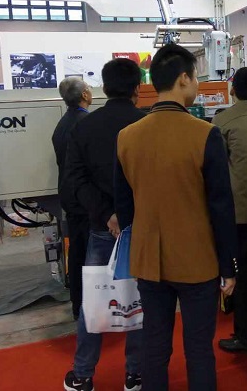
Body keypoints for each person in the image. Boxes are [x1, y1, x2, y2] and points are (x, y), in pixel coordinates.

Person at [114, 43, 238, 391]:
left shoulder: (126, 137)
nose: (196, 83)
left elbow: (124, 206)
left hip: (148, 260)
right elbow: (221, 206)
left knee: (155, 346)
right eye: (195, 77)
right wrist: (229, 265)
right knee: (199, 349)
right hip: (197, 260)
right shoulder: (205, 134)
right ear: (184, 79)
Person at [63, 59, 146, 391]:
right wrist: (127, 214)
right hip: (141, 227)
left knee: (95, 300)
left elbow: (75, 179)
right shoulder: (146, 124)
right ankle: (135, 374)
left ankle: (83, 375)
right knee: (142, 299)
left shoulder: (84, 128)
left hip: (102, 228)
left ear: (104, 88)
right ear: (137, 88)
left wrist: (106, 214)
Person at [212, 67, 247, 355]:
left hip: (239, 212)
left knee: (242, 275)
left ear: (233, 89)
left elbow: (217, 170)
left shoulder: (222, 121)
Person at [53, 77, 92, 320]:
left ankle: (78, 305)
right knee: (91, 253)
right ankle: (91, 306)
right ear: (85, 95)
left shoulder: (63, 123)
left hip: (69, 196)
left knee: (77, 252)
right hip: (85, 199)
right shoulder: (86, 123)